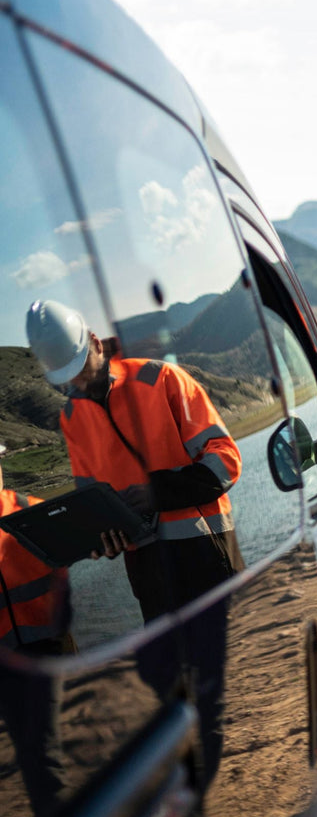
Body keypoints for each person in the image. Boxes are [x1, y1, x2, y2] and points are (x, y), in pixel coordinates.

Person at [26, 299, 245, 791]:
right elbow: (93, 501)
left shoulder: (161, 379)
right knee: (165, 680)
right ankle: (186, 782)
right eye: (66, 380)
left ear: (96, 344)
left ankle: (200, 795)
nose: (78, 385)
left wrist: (157, 491)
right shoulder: (72, 416)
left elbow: (226, 460)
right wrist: (100, 538)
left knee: (206, 681)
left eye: (81, 371)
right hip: (147, 567)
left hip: (206, 553)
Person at [0, 442, 73, 817]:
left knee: (41, 750)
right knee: (31, 751)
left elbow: (85, 548)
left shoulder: (33, 511)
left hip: (46, 651)